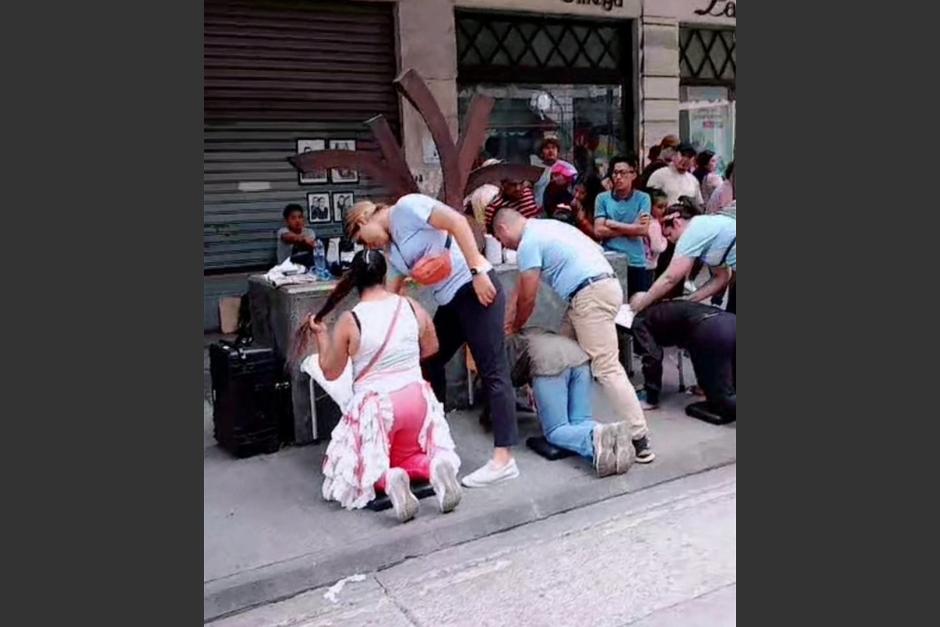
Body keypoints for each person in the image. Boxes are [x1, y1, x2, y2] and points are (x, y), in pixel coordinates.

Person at [345, 194, 521, 488]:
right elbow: (390, 294)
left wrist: (478, 268)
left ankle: (504, 460)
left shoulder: (407, 207)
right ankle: (432, 440)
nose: (369, 247)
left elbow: (456, 222)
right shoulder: (394, 252)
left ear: (362, 221)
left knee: (493, 371)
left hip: (476, 288)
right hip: (451, 303)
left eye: (362, 240)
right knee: (428, 359)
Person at [304, 250, 462, 522]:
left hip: (379, 407)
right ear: (384, 274)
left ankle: (389, 479)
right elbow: (433, 347)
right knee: (408, 454)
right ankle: (434, 466)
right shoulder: (410, 306)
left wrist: (320, 336)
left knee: (360, 469)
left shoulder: (350, 320)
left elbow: (330, 371)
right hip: (417, 400)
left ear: (354, 280)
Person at [493, 209, 655, 463]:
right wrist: (509, 321)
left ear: (502, 231)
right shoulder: (550, 227)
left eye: (502, 242)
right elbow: (520, 289)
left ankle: (639, 439)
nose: (506, 247)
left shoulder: (528, 243)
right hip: (598, 288)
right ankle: (573, 425)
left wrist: (515, 326)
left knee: (606, 367)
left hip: (589, 294)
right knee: (564, 351)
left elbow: (528, 297)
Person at [506, 329, 635, 476]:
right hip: (579, 359)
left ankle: (592, 440)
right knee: (581, 420)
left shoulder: (509, 344)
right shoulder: (539, 332)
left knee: (556, 430)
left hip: (549, 363)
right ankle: (612, 435)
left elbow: (507, 382)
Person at [628, 296, 736, 421]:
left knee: (722, 398)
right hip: (730, 320)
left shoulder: (640, 319)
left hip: (712, 330)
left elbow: (652, 356)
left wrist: (651, 397)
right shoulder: (669, 307)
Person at [630, 203, 736, 315]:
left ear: (676, 222)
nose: (671, 241)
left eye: (669, 234)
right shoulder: (707, 227)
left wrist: (641, 304)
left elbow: (670, 278)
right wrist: (687, 300)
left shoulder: (693, 229)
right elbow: (721, 277)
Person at [593, 155, 656, 298]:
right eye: (615, 173)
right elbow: (598, 230)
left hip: (635, 259)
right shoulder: (602, 198)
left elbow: (642, 230)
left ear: (633, 174)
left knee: (637, 303)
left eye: (623, 173)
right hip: (610, 258)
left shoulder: (643, 198)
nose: (618, 177)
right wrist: (631, 228)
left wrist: (612, 224)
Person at [645, 142, 703, 206]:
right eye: (683, 155)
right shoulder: (659, 175)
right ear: (674, 155)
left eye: (689, 157)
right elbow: (649, 201)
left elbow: (699, 203)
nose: (685, 159)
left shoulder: (693, 180)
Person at [532, 137, 576, 210]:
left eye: (553, 148)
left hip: (560, 209)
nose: (550, 150)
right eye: (547, 148)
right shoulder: (535, 168)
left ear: (558, 151)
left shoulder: (567, 167)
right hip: (538, 209)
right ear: (541, 152)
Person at [643, 189, 670, 277]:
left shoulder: (643, 220)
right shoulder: (654, 224)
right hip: (649, 263)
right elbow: (657, 248)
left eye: (665, 207)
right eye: (659, 207)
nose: (663, 210)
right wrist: (665, 240)